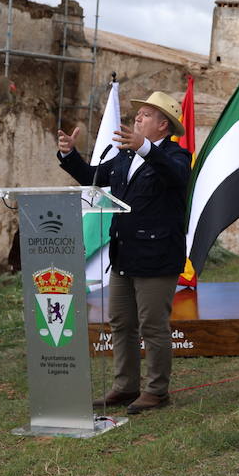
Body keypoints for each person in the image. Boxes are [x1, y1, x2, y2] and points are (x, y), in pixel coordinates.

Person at [57, 91, 191, 415]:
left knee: (153, 325)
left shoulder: (177, 155)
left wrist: (144, 148)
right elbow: (93, 178)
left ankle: (156, 391)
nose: (137, 118)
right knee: (121, 321)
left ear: (163, 124)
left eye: (145, 115)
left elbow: (175, 176)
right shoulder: (125, 157)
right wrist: (69, 154)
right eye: (138, 114)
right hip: (124, 254)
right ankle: (125, 386)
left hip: (157, 256)